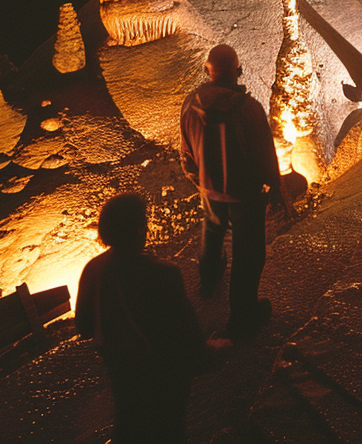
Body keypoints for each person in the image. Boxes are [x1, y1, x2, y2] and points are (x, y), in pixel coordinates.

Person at [76, 193, 209, 444]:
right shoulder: (165, 274)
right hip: (162, 371)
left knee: (128, 424)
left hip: (119, 369)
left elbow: (83, 327)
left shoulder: (92, 269)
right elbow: (187, 336)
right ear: (138, 231)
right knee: (169, 427)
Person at [180, 44, 287, 339]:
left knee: (213, 230)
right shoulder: (248, 109)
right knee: (248, 250)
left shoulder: (191, 103)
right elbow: (266, 155)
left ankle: (208, 278)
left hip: (210, 189)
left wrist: (201, 182)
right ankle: (243, 315)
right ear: (239, 72)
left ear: (206, 71)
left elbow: (186, 153)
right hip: (245, 195)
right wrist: (275, 187)